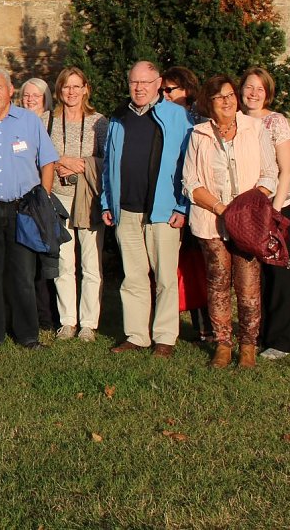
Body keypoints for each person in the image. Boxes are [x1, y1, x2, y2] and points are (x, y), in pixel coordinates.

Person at [182, 75, 277, 368]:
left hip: (248, 223)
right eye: (219, 97)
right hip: (212, 221)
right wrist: (222, 208)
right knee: (218, 283)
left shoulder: (255, 128)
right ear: (208, 104)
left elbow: (270, 173)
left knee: (248, 287)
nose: (227, 101)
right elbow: (190, 181)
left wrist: (247, 205)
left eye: (230, 95)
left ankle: (248, 346)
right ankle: (223, 345)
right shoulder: (199, 134)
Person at [0, 68, 59, 352]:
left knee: (23, 274)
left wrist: (44, 198)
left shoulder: (30, 122)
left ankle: (28, 335)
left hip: (23, 209)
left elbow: (48, 161)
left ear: (10, 90)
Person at [101, 61, 193, 358]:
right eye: (133, 82)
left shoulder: (176, 116)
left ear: (158, 83)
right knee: (134, 276)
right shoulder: (118, 118)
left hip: (162, 211)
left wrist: (182, 205)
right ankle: (137, 335)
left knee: (165, 276)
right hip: (125, 210)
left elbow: (188, 163)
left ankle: (165, 336)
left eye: (145, 82)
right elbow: (108, 165)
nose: (139, 88)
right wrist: (107, 201)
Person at [240, 66, 290, 360]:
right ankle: (256, 334)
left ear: (267, 93)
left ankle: (281, 340)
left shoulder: (276, 122)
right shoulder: (235, 120)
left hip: (275, 206)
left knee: (278, 271)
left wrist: (274, 213)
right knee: (252, 272)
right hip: (246, 208)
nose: (253, 94)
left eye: (259, 89)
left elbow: (285, 170)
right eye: (249, 87)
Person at [49, 67, 109, 342]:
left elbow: (107, 161)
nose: (71, 92)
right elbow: (41, 155)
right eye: (66, 87)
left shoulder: (99, 122)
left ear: (86, 88)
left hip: (88, 199)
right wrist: (63, 161)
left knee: (90, 261)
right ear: (59, 91)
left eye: (76, 86)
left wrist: (80, 164)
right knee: (63, 261)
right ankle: (67, 321)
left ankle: (88, 322)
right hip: (58, 198)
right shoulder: (47, 121)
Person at [162, 66, 213, 342]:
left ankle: (209, 326)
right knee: (183, 266)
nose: (165, 95)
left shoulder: (201, 120)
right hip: (175, 199)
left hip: (201, 201)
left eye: (170, 90)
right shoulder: (164, 118)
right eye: (163, 91)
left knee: (201, 267)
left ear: (187, 91)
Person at [18, 77, 59, 332]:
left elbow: (49, 159)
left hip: (45, 200)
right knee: (29, 263)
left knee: (49, 262)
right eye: (26, 95)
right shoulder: (17, 123)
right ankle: (35, 314)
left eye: (37, 95)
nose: (31, 99)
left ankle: (50, 316)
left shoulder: (50, 123)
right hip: (24, 200)